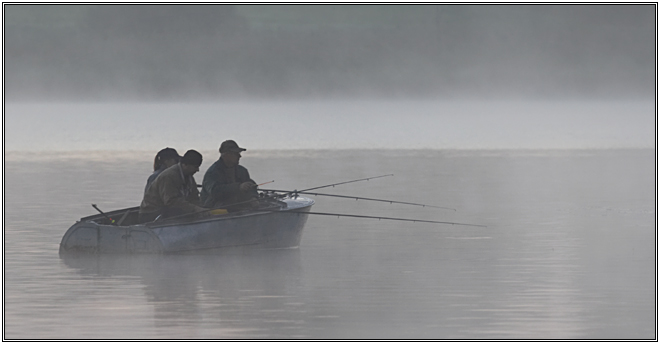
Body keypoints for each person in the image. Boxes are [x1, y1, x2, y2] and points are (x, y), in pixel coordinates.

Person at [139, 150, 207, 223]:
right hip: (152, 214)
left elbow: (194, 196)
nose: (198, 170)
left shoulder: (189, 176)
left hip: (168, 210)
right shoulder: (169, 176)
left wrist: (201, 209)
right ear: (185, 164)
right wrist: (195, 209)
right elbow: (171, 201)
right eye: (195, 167)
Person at [200, 140, 258, 210]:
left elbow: (251, 185)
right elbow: (215, 192)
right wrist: (238, 187)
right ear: (227, 155)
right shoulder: (213, 172)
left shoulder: (242, 171)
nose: (240, 156)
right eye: (236, 154)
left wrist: (253, 197)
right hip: (215, 210)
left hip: (238, 208)